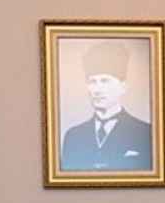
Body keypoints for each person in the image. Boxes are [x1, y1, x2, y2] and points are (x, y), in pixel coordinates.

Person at [61, 41, 153, 171]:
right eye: (92, 82)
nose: (97, 90)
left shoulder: (145, 133)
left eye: (105, 81)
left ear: (123, 87)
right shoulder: (73, 136)